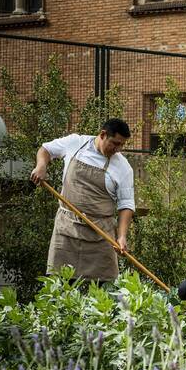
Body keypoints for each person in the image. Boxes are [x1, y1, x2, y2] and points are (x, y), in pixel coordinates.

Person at [30, 118, 134, 282]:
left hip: (101, 234)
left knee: (105, 287)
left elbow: (126, 205)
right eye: (115, 143)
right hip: (67, 228)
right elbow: (46, 149)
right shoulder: (75, 143)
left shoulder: (123, 166)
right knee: (60, 284)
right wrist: (41, 165)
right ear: (103, 134)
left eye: (121, 145)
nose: (118, 149)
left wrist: (121, 236)